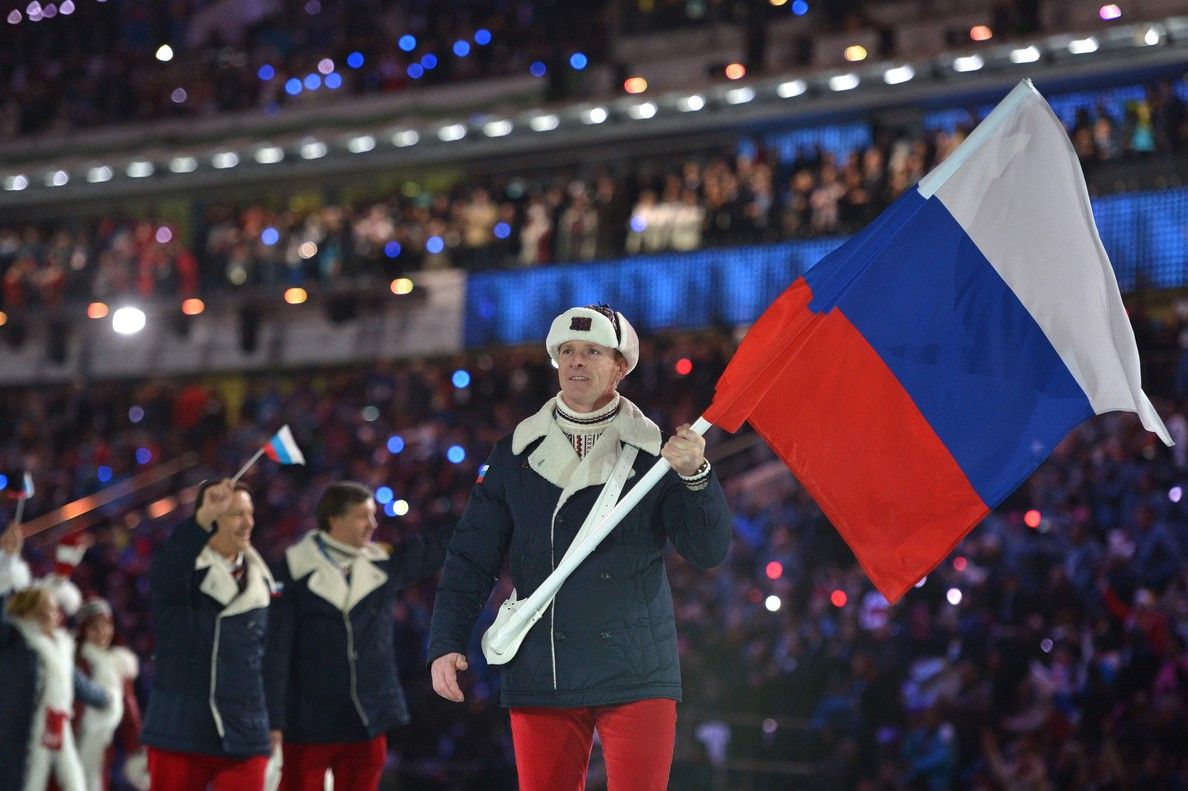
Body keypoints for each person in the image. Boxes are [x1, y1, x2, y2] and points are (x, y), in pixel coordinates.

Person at [427, 304, 732, 790]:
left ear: (621, 366)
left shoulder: (659, 452)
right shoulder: (513, 453)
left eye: (593, 351)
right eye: (567, 351)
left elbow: (708, 551)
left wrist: (697, 475)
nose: (576, 362)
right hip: (542, 667)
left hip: (636, 670)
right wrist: (445, 642)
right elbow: (471, 557)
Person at [265, 481, 449, 790]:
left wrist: (486, 509)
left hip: (367, 719)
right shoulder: (290, 573)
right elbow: (275, 653)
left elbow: (435, 548)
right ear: (335, 521)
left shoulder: (383, 563)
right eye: (364, 516)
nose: (373, 524)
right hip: (308, 724)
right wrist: (274, 720)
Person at [140, 479, 275, 791]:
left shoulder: (264, 582)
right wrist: (199, 521)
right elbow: (162, 578)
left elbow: (271, 659)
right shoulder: (183, 571)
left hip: (245, 732)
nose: (248, 523)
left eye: (250, 513)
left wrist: (277, 722)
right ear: (212, 518)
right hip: (180, 729)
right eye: (237, 514)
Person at [0, 523, 102, 791]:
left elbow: (79, 685)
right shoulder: (12, 639)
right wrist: (6, 562)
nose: (55, 617)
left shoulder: (57, 648)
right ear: (28, 613)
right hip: (11, 744)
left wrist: (109, 699)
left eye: (56, 610)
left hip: (51, 744)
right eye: (48, 610)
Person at [73, 597, 146, 791]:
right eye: (94, 628)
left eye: (106, 626)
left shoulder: (118, 665)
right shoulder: (74, 664)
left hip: (99, 751)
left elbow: (130, 717)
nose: (102, 633)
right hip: (68, 744)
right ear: (83, 631)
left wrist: (137, 752)